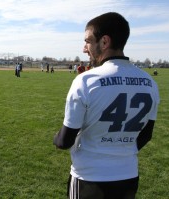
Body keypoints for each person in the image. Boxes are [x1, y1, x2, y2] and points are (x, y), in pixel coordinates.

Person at [53, 12, 159, 199]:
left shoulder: (86, 80)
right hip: (128, 176)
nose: (84, 48)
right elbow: (146, 135)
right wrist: (120, 150)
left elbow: (64, 141)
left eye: (88, 41)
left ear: (104, 42)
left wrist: (56, 138)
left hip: (89, 177)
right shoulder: (149, 81)